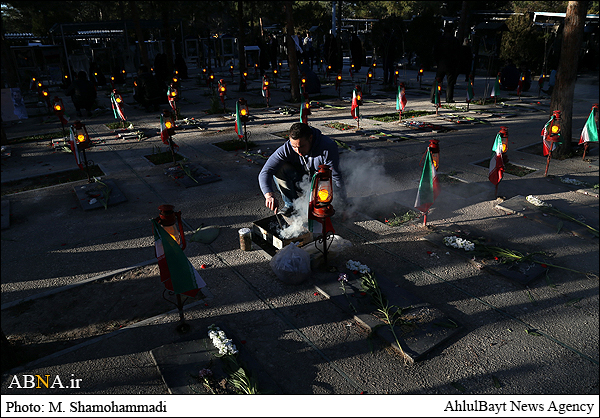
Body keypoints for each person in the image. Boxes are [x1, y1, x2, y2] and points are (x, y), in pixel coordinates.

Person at [259, 122, 345, 216]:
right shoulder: (287, 148)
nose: (298, 151)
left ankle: (311, 204)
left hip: (319, 186)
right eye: (294, 147)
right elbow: (265, 171)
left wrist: (343, 205)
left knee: (312, 213)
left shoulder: (327, 147)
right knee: (280, 169)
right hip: (300, 180)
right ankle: (291, 205)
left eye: (301, 146)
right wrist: (269, 196)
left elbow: (336, 177)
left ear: (310, 138)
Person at [430, 26, 461, 103]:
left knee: (437, 80)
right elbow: (458, 53)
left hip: (441, 62)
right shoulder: (455, 41)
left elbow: (435, 51)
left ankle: (434, 97)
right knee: (450, 82)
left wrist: (437, 61)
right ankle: (449, 98)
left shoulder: (440, 40)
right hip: (451, 63)